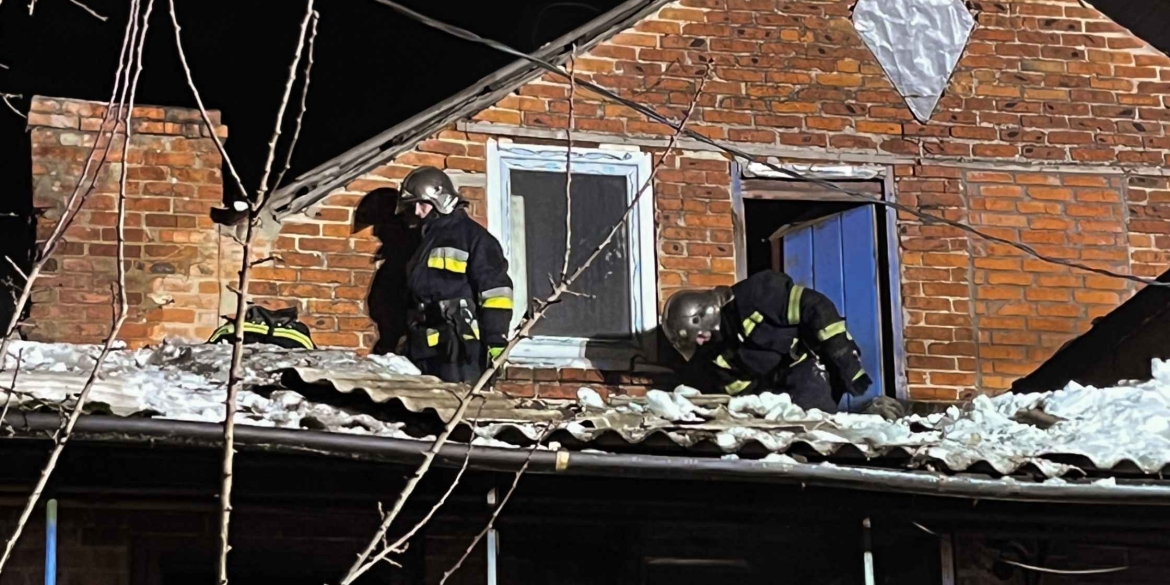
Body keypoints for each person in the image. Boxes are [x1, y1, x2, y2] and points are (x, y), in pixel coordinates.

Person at [662, 270, 904, 419]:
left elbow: (817, 308)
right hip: (775, 389)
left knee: (814, 424)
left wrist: (849, 365)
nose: (700, 343)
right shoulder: (714, 353)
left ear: (704, 315)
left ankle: (875, 416)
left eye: (698, 335)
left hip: (808, 365)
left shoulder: (756, 295)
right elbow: (735, 389)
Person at [395, 166, 514, 383]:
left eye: (423, 204)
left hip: (460, 347)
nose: (417, 212)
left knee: (458, 401)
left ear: (441, 200)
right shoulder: (423, 242)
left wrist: (495, 340)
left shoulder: (474, 238)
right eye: (414, 206)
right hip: (424, 346)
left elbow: (496, 292)